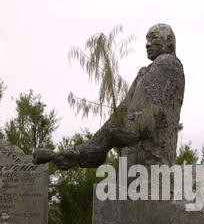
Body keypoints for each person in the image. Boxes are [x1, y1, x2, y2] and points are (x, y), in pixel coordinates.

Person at [33, 23, 185, 171]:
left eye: (153, 38)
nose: (147, 44)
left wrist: (94, 146)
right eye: (147, 39)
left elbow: (142, 123)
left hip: (154, 163)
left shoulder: (167, 64)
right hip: (138, 164)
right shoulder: (146, 72)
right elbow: (123, 112)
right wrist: (84, 149)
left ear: (169, 42)